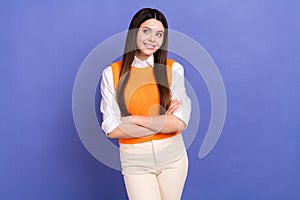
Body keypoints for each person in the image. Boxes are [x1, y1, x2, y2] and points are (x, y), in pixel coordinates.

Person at [100, 8, 191, 200]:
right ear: (134, 32)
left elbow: (180, 123)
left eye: (159, 34)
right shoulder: (112, 73)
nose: (152, 39)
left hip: (173, 158)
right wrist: (162, 122)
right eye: (146, 31)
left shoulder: (173, 69)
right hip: (135, 161)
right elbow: (112, 129)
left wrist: (134, 119)